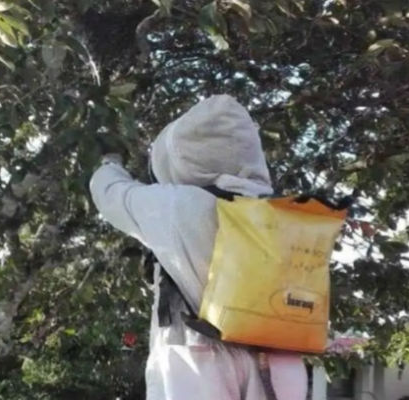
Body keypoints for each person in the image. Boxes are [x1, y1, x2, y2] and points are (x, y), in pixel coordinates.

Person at [90, 95, 307, 400]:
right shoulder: (284, 214)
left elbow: (113, 196)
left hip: (202, 360)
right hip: (280, 362)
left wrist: (108, 162)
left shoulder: (182, 207)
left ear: (184, 156)